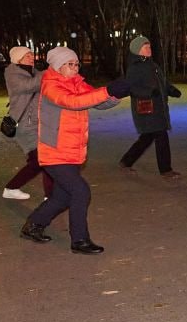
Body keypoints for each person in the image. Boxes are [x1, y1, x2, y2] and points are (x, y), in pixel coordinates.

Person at [21, 47, 131, 254]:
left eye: (76, 64)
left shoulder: (77, 83)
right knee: (81, 191)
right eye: (69, 64)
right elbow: (73, 102)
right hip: (54, 152)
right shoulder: (51, 86)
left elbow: (96, 102)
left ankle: (34, 225)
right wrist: (108, 90)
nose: (74, 68)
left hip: (71, 152)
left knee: (62, 197)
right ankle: (79, 240)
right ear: (57, 66)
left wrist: (115, 95)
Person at [118, 36, 182, 177]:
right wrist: (149, 92)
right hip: (146, 109)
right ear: (137, 50)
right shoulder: (134, 68)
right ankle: (166, 170)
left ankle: (126, 161)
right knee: (160, 135)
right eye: (145, 47)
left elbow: (162, 83)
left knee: (147, 137)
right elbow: (131, 88)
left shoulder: (153, 65)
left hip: (158, 108)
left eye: (149, 46)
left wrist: (171, 90)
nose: (149, 49)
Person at [1, 46, 52, 201]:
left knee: (41, 160)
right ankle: (50, 197)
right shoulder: (12, 73)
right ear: (18, 59)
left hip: (38, 123)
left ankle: (12, 188)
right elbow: (29, 86)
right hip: (24, 125)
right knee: (42, 159)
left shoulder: (35, 72)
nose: (31, 57)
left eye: (31, 54)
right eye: (27, 55)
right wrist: (49, 72)